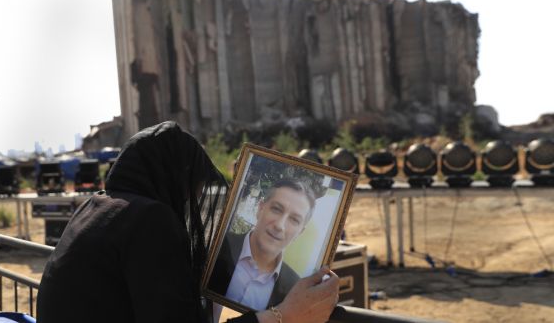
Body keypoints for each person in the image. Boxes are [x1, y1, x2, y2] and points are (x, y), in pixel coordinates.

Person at [36, 121, 339, 323]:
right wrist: (283, 316)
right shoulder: (148, 219)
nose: (190, 207)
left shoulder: (98, 206)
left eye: (295, 218)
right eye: (189, 193)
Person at [209, 179, 316, 310]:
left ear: (300, 233)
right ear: (260, 208)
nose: (279, 225)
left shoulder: (296, 290)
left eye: (294, 220)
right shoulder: (214, 246)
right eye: (276, 209)